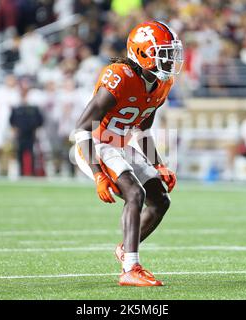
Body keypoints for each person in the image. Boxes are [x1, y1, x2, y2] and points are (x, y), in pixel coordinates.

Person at [74, 21, 182, 287]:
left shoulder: (160, 84)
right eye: (164, 53)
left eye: (171, 53)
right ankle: (130, 268)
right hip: (95, 143)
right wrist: (98, 173)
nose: (170, 60)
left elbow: (142, 130)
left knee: (160, 200)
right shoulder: (120, 76)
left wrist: (159, 165)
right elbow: (82, 127)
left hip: (120, 144)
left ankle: (126, 248)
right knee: (135, 193)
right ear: (143, 53)